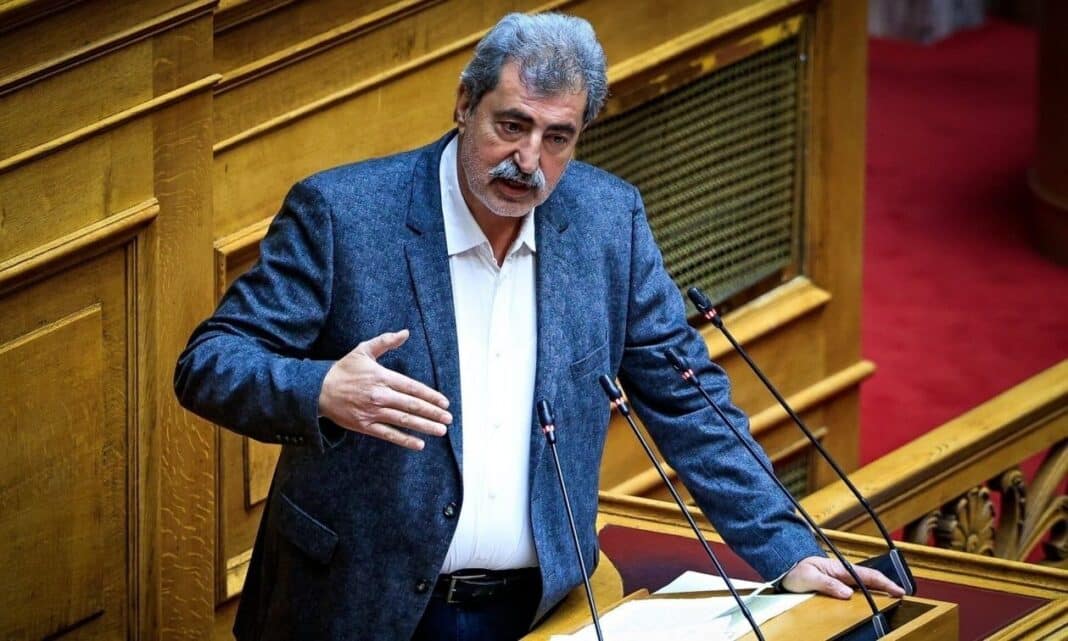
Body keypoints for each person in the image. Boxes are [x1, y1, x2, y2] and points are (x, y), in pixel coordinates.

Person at [175, 12, 903, 641]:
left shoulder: (608, 223)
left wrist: (786, 547)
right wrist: (321, 390)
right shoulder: (343, 215)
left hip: (537, 610)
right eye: (512, 126)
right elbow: (210, 361)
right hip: (355, 605)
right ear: (465, 104)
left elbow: (687, 398)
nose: (529, 161)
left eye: (558, 137)